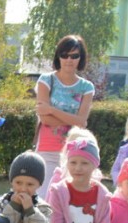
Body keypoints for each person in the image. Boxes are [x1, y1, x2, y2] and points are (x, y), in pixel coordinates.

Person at [33, 35, 95, 198]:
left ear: (80, 58)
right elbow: (45, 119)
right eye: (64, 55)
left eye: (74, 56)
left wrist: (51, 110)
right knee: (44, 197)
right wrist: (73, 119)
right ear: (58, 56)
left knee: (69, 198)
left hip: (74, 152)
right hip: (47, 148)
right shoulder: (46, 80)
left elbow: (81, 122)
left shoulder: (86, 87)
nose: (69, 60)